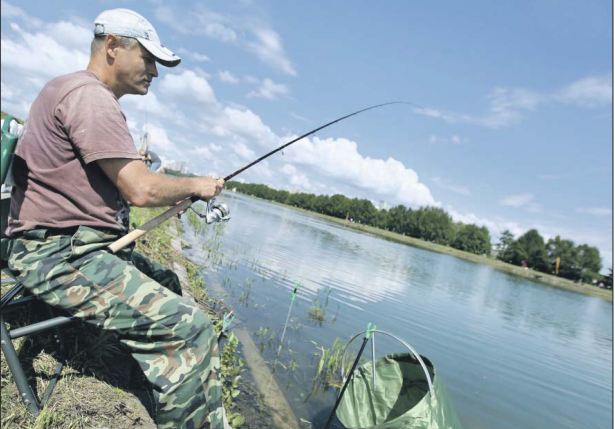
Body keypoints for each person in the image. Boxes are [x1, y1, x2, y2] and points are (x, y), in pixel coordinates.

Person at [5, 8, 226, 429]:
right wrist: (196, 185)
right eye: (148, 60)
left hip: (70, 245)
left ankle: (154, 383)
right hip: (57, 256)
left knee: (167, 282)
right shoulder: (90, 98)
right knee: (190, 328)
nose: (154, 73)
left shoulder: (73, 90)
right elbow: (140, 189)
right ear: (112, 47)